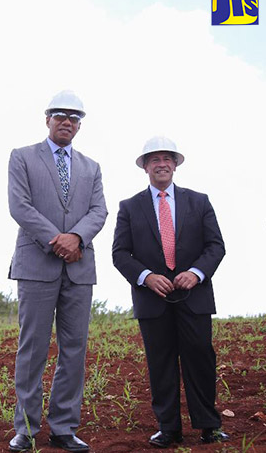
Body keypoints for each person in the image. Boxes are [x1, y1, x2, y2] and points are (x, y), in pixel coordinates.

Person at [112, 136, 230, 448]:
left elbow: (215, 246)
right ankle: (169, 429)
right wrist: (146, 276)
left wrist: (196, 272)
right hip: (153, 301)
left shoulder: (199, 201)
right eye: (154, 159)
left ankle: (208, 426)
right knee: (160, 364)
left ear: (175, 165)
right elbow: (120, 253)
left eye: (167, 158)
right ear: (145, 167)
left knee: (200, 360)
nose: (161, 164)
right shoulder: (129, 207)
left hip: (195, 297)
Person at [7, 90, 108, 452]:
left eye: (74, 117)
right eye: (60, 115)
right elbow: (19, 206)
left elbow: (99, 211)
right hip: (37, 264)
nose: (67, 121)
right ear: (47, 118)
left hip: (78, 269)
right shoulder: (22, 158)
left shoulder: (91, 167)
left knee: (74, 349)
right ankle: (27, 429)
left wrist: (76, 237)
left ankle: (64, 427)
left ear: (79, 125)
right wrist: (57, 239)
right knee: (32, 347)